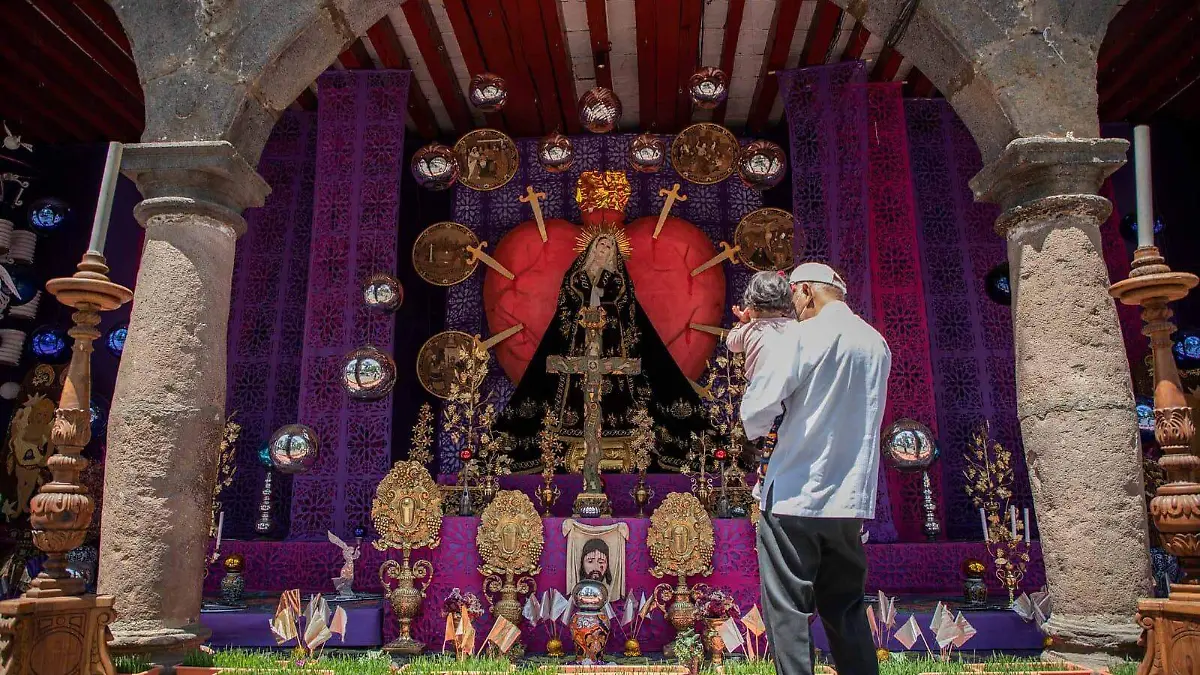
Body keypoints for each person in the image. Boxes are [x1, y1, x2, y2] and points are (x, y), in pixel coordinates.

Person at [740, 262, 890, 675]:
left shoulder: (802, 337)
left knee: (788, 611)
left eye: (793, 295)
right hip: (848, 500)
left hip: (794, 493)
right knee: (846, 609)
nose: (792, 306)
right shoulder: (875, 342)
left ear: (806, 291)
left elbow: (755, 414)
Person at [727, 271, 795, 482]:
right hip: (790, 396)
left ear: (752, 305)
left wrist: (742, 322)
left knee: (769, 449)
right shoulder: (796, 328)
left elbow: (731, 343)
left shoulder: (751, 329)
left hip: (760, 398)